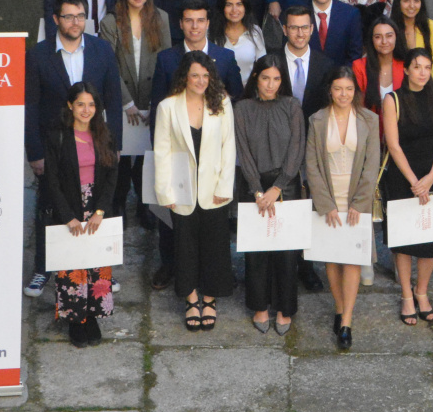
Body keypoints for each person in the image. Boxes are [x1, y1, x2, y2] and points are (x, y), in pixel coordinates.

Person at [25, 0, 124, 297]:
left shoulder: (101, 50)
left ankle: (98, 268)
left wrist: (114, 144)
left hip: (93, 141)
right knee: (49, 205)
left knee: (96, 204)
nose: (75, 22)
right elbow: (30, 105)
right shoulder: (38, 55)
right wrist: (35, 152)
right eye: (68, 16)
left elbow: (114, 98)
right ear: (55, 20)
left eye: (80, 16)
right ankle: (44, 268)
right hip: (54, 145)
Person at [153, 52, 237, 332]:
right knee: (184, 244)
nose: (201, 81)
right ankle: (191, 299)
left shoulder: (222, 103)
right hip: (181, 188)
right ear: (184, 77)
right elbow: (162, 152)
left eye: (205, 76)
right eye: (195, 75)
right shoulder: (167, 107)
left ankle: (210, 298)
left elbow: (229, 147)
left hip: (214, 187)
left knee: (215, 243)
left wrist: (225, 186)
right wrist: (166, 193)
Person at [305, 66, 382, 349]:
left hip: (355, 199)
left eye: (349, 89)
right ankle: (339, 307)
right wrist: (325, 204)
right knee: (331, 259)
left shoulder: (369, 119)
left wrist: (359, 204)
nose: (343, 94)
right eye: (338, 88)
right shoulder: (317, 120)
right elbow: (311, 165)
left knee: (352, 259)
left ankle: (347, 320)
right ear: (330, 90)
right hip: (328, 197)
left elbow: (372, 164)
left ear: (356, 92)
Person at [42, 83, 120, 346]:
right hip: (70, 207)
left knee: (97, 263)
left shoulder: (104, 133)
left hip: (97, 206)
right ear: (70, 106)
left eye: (91, 105)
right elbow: (51, 180)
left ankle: (93, 315)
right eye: (80, 104)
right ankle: (76, 320)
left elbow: (112, 176)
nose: (86, 110)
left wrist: (100, 211)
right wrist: (67, 216)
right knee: (72, 266)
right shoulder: (57, 136)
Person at [234, 55, 305, 335]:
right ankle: (260, 306)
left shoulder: (291, 105)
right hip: (254, 186)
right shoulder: (242, 108)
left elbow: (297, 149)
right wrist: (257, 189)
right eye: (265, 78)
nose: (271, 84)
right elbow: (243, 150)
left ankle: (285, 308)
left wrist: (278, 187)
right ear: (255, 78)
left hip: (284, 182)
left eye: (276, 79)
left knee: (287, 251)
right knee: (257, 249)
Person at [382, 48, 433, 326]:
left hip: (430, 174)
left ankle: (422, 292)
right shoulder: (393, 99)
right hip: (401, 177)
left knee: (430, 239)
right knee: (404, 239)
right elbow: (393, 145)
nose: (422, 72)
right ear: (406, 69)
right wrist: (414, 182)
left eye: (427, 67)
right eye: (417, 67)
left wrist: (432, 175)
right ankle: (407, 295)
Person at [100, 0, 169, 217]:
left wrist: (155, 103)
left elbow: (166, 62)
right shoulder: (110, 22)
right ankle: (117, 206)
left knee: (145, 158)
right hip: (121, 102)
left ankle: (144, 205)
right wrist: (126, 102)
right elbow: (108, 65)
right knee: (119, 157)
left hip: (151, 99)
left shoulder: (161, 18)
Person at [148, 0, 246, 113]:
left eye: (200, 20)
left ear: (207, 23)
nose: (195, 26)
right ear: (181, 24)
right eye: (189, 20)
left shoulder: (226, 58)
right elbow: (157, 106)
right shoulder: (165, 59)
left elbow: (237, 101)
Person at [280, 6, 336, 119]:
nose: (300, 34)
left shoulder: (326, 65)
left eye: (305, 27)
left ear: (311, 29)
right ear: (285, 30)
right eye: (294, 28)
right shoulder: (272, 62)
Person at [305, 0, 365, 65]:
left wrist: (342, 78)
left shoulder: (350, 14)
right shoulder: (297, 13)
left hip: (340, 77)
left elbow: (355, 55)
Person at [218, 0, 275, 86]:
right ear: (222, 7)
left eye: (239, 4)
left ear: (245, 7)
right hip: (217, 95)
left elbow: (263, 67)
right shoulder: (211, 33)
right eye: (229, 5)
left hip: (247, 95)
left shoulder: (255, 32)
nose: (234, 10)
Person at [352, 17, 404, 114]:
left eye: (389, 36)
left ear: (396, 37)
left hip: (401, 125)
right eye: (378, 37)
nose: (384, 41)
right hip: (370, 125)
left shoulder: (405, 66)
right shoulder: (359, 66)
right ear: (372, 40)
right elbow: (358, 105)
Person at [391, 0, 433, 79]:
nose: (412, 6)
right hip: (396, 85)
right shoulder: (390, 27)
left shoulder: (431, 27)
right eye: (406, 1)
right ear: (398, 2)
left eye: (416, 1)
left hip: (423, 85)